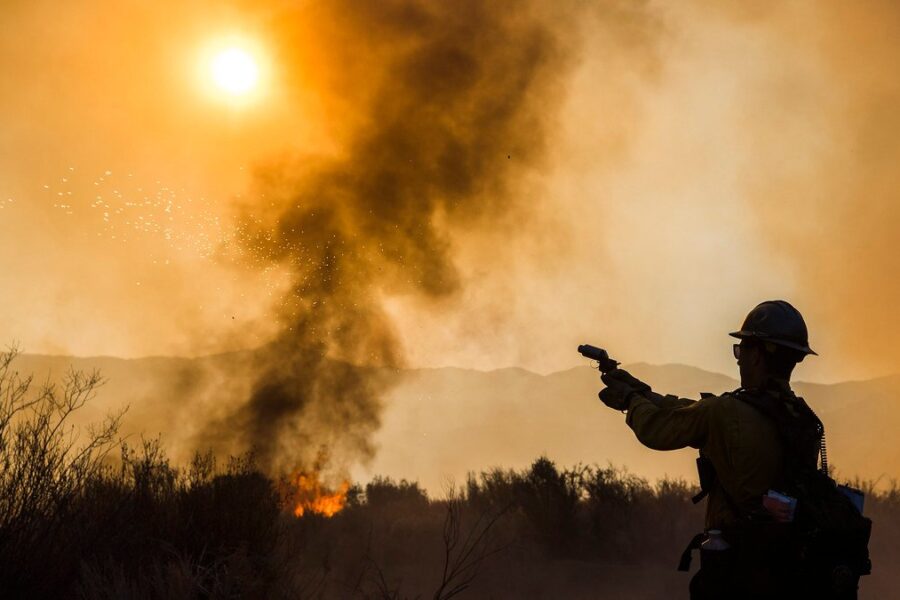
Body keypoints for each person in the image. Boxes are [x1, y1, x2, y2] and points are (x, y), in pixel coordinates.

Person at [596, 300, 863, 599]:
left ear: (760, 354)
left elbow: (657, 429)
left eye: (742, 349)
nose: (738, 360)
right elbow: (691, 412)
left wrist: (631, 400)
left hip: (738, 573)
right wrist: (644, 392)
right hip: (787, 573)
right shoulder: (799, 418)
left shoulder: (725, 413)